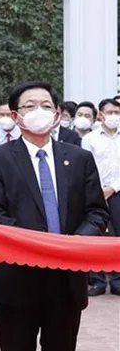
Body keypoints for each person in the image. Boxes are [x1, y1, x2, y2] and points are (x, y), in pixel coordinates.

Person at [0, 81, 109, 351]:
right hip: (17, 280)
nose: (38, 110)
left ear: (57, 113)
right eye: (30, 106)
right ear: (15, 116)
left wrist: (74, 243)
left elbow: (97, 211)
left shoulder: (79, 158)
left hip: (67, 279)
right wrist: (34, 246)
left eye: (45, 105)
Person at [83, 98, 120, 297]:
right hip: (94, 192)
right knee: (96, 236)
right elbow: (86, 166)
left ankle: (117, 281)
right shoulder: (90, 139)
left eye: (117, 112)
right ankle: (97, 280)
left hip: (118, 193)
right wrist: (99, 190)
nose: (114, 116)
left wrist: (113, 188)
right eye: (110, 112)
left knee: (118, 238)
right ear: (101, 115)